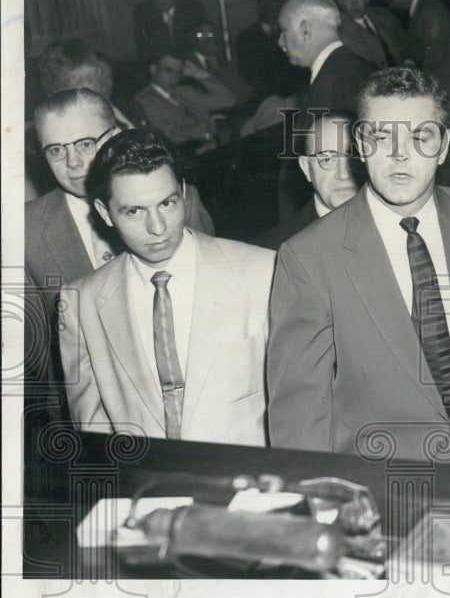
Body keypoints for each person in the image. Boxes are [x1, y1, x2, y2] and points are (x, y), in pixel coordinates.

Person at [267, 67, 450, 466]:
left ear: (444, 145)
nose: (401, 154)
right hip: (387, 477)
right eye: (383, 137)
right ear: (361, 146)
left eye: (421, 137)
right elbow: (299, 412)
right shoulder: (309, 257)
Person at [58, 130, 275, 446]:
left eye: (167, 204)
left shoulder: (265, 271)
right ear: (105, 213)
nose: (157, 228)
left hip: (253, 482)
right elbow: (92, 430)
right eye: (134, 211)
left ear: (184, 192)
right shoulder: (81, 302)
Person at [26, 89, 215, 396]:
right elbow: (36, 357)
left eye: (85, 144)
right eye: (56, 151)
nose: (73, 162)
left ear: (114, 134)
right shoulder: (26, 230)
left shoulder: (176, 202)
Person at [255, 112, 360, 250]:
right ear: (306, 168)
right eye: (327, 159)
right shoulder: (274, 248)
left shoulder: (394, 228)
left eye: (353, 158)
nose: (344, 174)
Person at [380, 0, 450, 123]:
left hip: (444, 95)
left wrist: (408, 68)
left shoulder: (430, 10)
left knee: (449, 144)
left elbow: (434, 55)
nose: (392, 6)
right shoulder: (426, 7)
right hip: (445, 94)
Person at [277, 0, 378, 116]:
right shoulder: (364, 66)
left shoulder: (329, 84)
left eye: (284, 31)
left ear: (306, 30)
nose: (280, 42)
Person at [134, 51, 224, 154]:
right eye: (168, 70)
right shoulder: (145, 100)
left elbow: (227, 102)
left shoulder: (184, 91)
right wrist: (205, 130)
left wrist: (202, 76)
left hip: (213, 147)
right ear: (153, 69)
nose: (175, 77)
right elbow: (166, 134)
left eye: (179, 72)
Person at [133, 0, 207, 66]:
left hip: (191, 65)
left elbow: (200, 47)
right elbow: (145, 52)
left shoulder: (192, 9)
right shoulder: (144, 13)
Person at [336, 0, 406, 69]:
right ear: (340, 0)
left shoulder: (385, 15)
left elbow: (406, 44)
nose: (354, 4)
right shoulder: (338, 31)